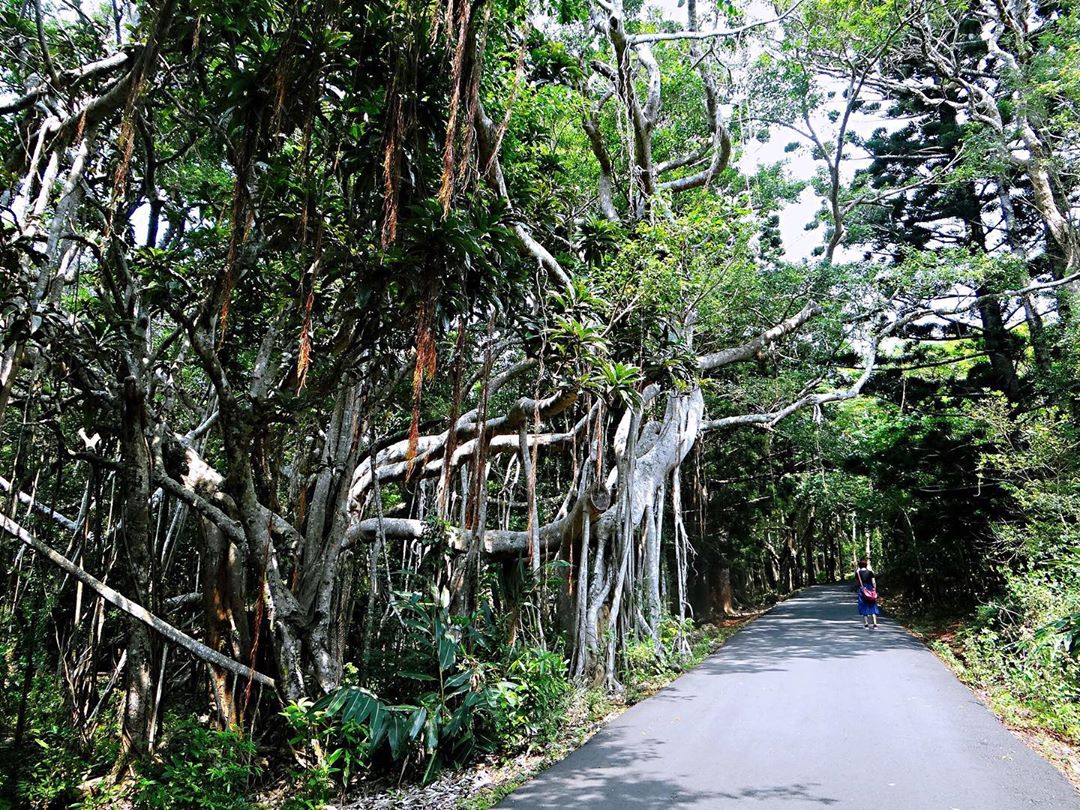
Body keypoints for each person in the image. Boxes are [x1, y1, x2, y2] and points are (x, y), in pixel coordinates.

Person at [855, 557, 879, 629]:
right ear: (866, 565)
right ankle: (875, 624)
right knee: (872, 604)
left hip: (862, 590)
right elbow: (874, 582)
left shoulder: (858, 573)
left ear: (859, 565)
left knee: (863, 605)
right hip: (871, 589)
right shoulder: (870, 572)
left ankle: (866, 624)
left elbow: (857, 583)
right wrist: (874, 589)